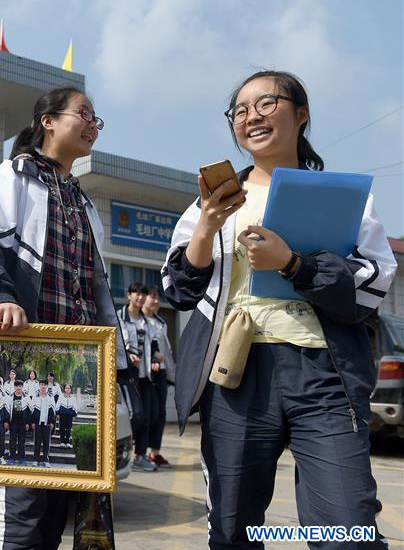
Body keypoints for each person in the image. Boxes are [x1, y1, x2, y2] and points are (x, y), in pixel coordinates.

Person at [163, 70, 396, 549]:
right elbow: (177, 288)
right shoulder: (212, 201)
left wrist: (292, 264)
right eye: (241, 111)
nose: (252, 117)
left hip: (324, 378)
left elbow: (373, 283)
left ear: (301, 113)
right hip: (236, 378)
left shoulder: (344, 197)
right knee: (232, 528)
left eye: (267, 104)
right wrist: (207, 226)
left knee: (347, 531)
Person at [0, 85, 128, 548]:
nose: (92, 124)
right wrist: (1, 300)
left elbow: (94, 294)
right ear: (47, 121)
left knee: (58, 511)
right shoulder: (14, 176)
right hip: (19, 371)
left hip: (75, 378)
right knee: (21, 516)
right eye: (84, 114)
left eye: (97, 119)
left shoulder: (84, 202)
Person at [118, 283, 158, 472]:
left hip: (146, 375)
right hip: (127, 376)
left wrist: (155, 360)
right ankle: (119, 453)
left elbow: (154, 344)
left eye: (143, 294)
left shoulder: (147, 321)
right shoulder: (120, 317)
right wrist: (128, 355)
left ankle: (140, 456)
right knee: (135, 415)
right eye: (136, 293)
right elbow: (117, 343)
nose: (140, 297)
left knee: (148, 416)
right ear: (129, 295)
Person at [142, 287, 174, 468]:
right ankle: (142, 452)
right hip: (145, 373)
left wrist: (172, 374)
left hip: (160, 373)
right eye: (152, 297)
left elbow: (167, 352)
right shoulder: (139, 321)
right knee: (148, 414)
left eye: (157, 298)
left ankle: (154, 452)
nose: (155, 301)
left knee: (160, 414)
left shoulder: (162, 323)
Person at [30, 380, 58, 467]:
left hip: (47, 424)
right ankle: (36, 459)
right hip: (37, 424)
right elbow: (32, 411)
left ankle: (46, 460)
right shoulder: (35, 397)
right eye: (41, 385)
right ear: (39, 386)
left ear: (46, 386)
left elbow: (53, 411)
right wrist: (33, 422)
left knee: (46, 442)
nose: (43, 386)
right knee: (37, 442)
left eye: (44, 385)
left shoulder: (50, 397)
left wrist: (52, 422)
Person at [7, 380, 30, 465]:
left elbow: (29, 411)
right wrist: (7, 421)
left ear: (22, 387)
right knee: (12, 441)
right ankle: (11, 458)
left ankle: (22, 458)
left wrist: (28, 423)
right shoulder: (10, 397)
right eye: (17, 386)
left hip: (22, 423)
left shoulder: (26, 398)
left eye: (20, 386)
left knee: (21, 441)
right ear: (14, 387)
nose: (18, 388)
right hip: (13, 423)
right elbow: (7, 410)